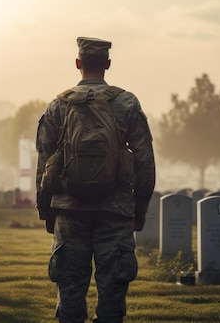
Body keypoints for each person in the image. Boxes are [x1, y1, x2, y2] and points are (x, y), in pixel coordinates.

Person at [35, 36, 156, 323]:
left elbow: (44, 162)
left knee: (71, 289)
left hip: (69, 208)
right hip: (115, 209)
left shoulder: (58, 105)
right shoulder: (126, 103)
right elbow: (144, 160)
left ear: (78, 64)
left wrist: (47, 210)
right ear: (108, 64)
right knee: (113, 290)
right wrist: (140, 207)